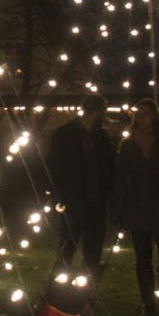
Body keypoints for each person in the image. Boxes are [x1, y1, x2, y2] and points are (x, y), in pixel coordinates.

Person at [114, 99, 159, 316]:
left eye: (148, 114)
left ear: (155, 116)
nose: (144, 118)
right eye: (140, 114)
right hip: (138, 206)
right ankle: (148, 302)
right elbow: (120, 178)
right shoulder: (128, 145)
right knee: (143, 258)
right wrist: (120, 207)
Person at [47, 95, 115, 281]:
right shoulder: (66, 134)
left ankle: (86, 290)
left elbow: (108, 166)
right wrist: (60, 195)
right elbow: (55, 167)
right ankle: (57, 288)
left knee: (92, 249)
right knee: (68, 245)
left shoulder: (100, 136)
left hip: (96, 201)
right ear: (98, 111)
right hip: (74, 201)